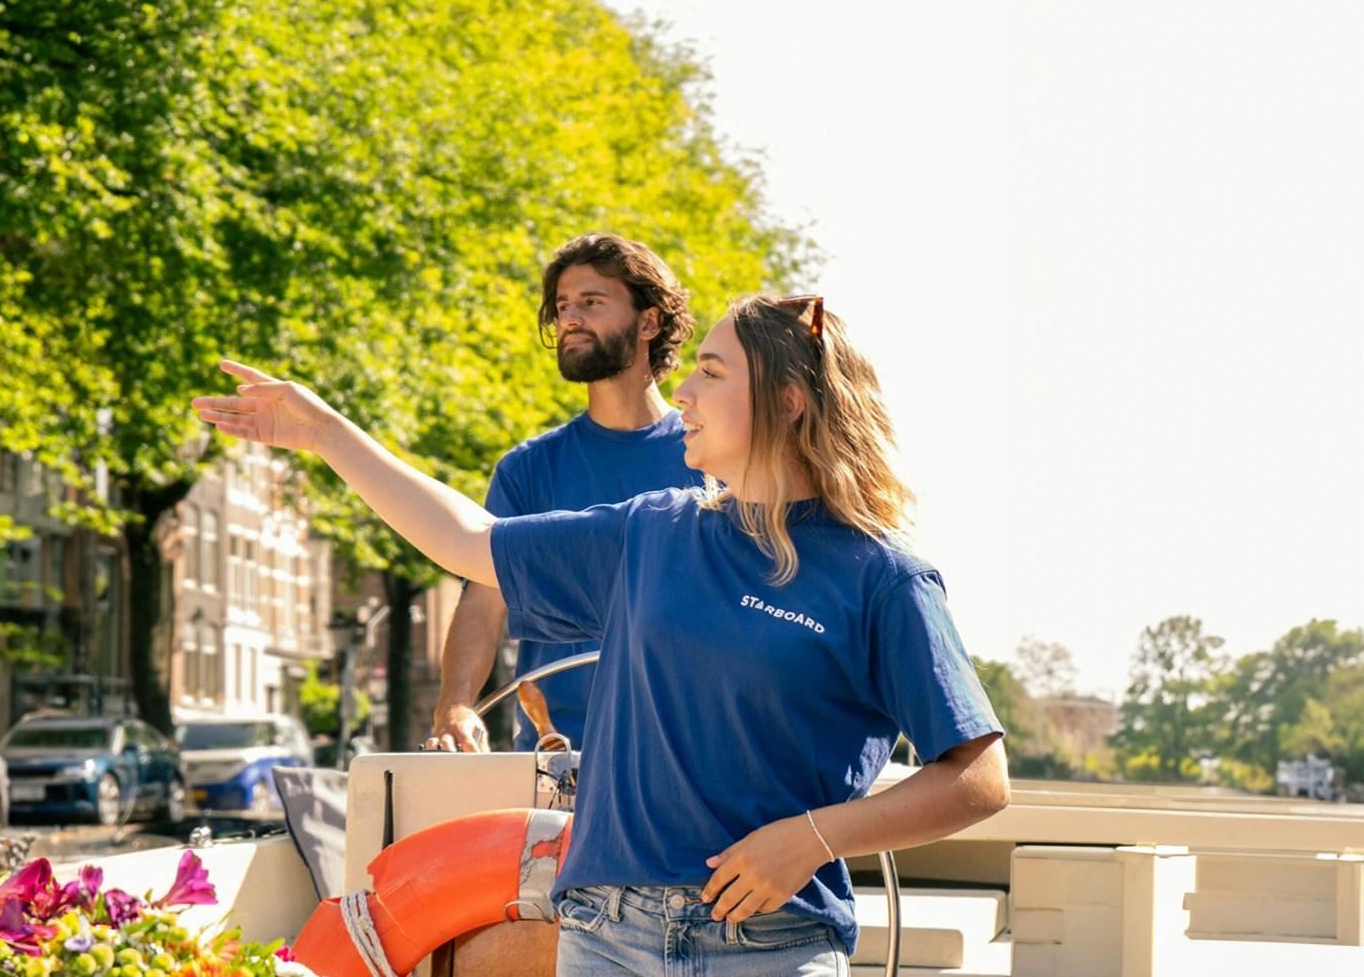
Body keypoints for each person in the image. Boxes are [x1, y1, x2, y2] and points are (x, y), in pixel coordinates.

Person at [192, 292, 1009, 976]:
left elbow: (977, 776)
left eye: (711, 373)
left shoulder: (884, 576)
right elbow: (469, 544)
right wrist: (327, 433)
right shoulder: (651, 533)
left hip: (771, 945)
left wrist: (812, 838)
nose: (682, 392)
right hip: (604, 940)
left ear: (788, 401)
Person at [428, 233, 703, 754]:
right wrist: (456, 705)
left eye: (591, 302)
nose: (569, 318)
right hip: (555, 758)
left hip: (684, 753)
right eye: (562, 306)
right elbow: (484, 602)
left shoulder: (711, 458)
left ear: (649, 322)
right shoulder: (528, 469)